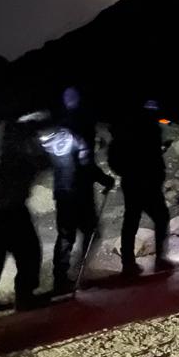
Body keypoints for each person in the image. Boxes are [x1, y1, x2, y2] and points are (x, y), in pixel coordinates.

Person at [0, 114, 50, 315]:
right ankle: (25, 296)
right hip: (12, 208)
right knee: (29, 253)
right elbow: (43, 163)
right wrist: (34, 141)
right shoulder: (16, 153)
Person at [43, 114, 115, 295]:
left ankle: (60, 278)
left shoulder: (57, 138)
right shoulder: (80, 137)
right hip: (80, 193)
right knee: (92, 232)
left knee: (65, 236)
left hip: (62, 192)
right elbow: (87, 165)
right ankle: (79, 271)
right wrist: (106, 179)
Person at [108, 100, 173, 274]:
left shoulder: (129, 131)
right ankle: (159, 259)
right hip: (146, 182)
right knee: (160, 217)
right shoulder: (148, 130)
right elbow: (147, 156)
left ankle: (128, 263)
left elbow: (117, 159)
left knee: (131, 220)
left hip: (132, 181)